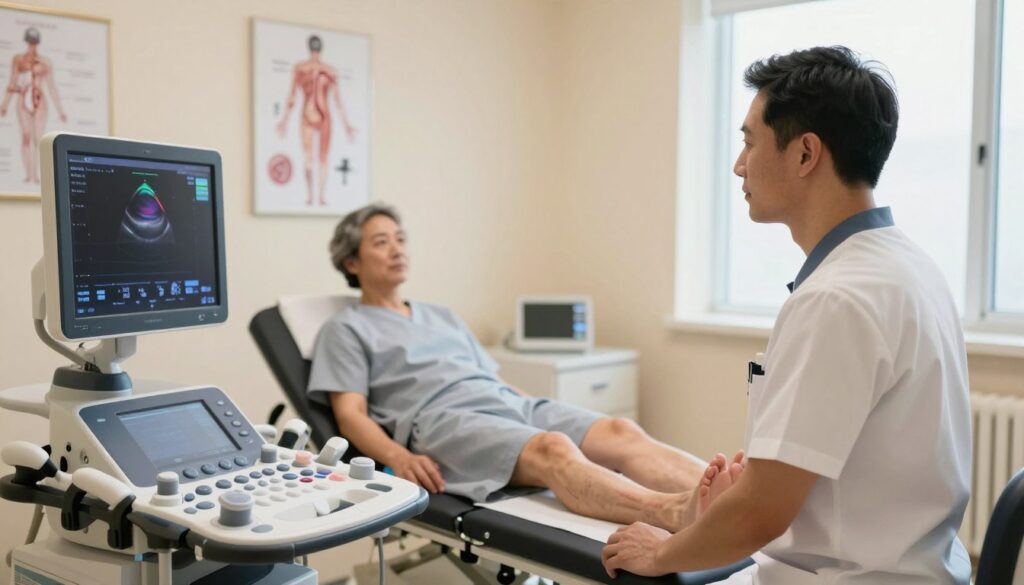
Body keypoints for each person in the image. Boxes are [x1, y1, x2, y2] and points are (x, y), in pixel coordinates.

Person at [601, 46, 972, 584]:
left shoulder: (835, 299)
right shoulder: (908, 265)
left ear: (805, 155)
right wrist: (755, 487)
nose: (738, 165)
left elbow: (759, 517)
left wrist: (662, 551)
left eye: (749, 141)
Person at [307, 203, 740, 531]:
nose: (397, 248)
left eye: (400, 238)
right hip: (441, 422)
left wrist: (534, 405)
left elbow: (491, 380)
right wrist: (399, 457)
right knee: (552, 448)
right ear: (351, 262)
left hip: (502, 400)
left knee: (620, 431)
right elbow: (350, 415)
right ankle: (674, 512)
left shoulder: (441, 315)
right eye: (381, 241)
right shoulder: (345, 329)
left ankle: (738, 498)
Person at [277, 34, 357, 206]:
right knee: (323, 158)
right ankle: (320, 196)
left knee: (308, 157)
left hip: (307, 112)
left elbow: (292, 97)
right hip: (324, 113)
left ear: (309, 47)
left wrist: (284, 121)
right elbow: (337, 100)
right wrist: (347, 125)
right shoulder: (329, 70)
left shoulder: (300, 68)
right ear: (321, 48)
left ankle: (310, 196)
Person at [0, 27, 67, 184]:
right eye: (30, 43)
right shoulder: (18, 60)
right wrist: (4, 105)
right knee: (26, 137)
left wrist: (60, 111)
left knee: (38, 139)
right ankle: (29, 174)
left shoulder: (45, 63)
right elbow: (13, 81)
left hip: (39, 100)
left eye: (34, 43)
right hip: (23, 100)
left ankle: (36, 176)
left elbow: (51, 87)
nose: (32, 46)